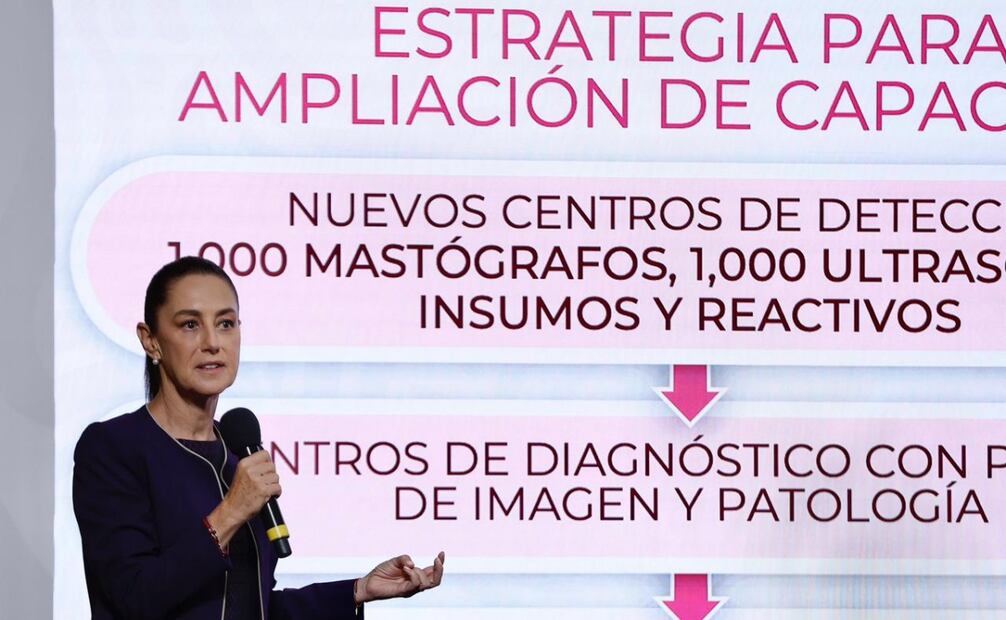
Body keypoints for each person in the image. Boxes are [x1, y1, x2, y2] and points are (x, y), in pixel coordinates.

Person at [73, 256, 445, 619]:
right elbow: (132, 597)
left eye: (226, 323)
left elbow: (254, 605)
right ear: (151, 340)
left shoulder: (236, 455)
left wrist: (357, 591)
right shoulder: (114, 448)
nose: (212, 342)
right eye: (189, 325)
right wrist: (231, 512)